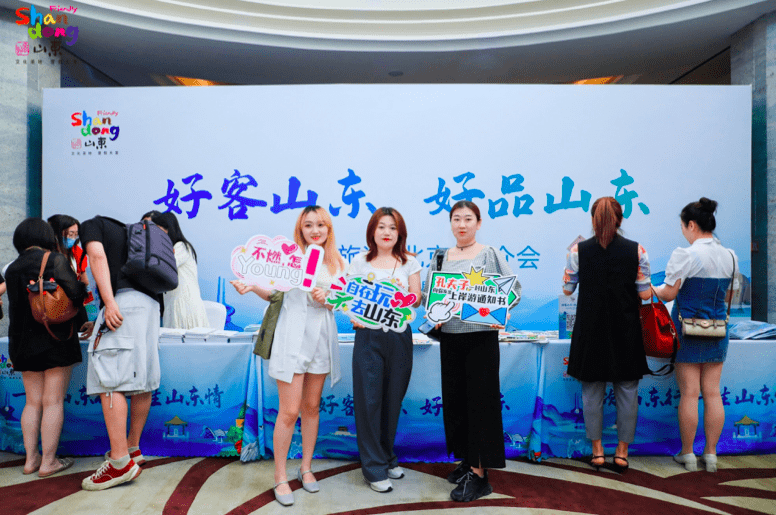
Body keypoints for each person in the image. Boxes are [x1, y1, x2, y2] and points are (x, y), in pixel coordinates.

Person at [231, 205, 345, 507]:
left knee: (312, 407)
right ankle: (280, 476)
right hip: (291, 338)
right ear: (300, 229)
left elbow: (343, 302)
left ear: (328, 229)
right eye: (308, 225)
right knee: (289, 410)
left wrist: (328, 299)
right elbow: (274, 293)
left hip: (321, 338)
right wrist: (251, 286)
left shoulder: (337, 263)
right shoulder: (288, 259)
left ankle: (306, 468)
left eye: (321, 225)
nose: (315, 230)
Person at [423, 200, 521, 502]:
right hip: (451, 339)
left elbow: (514, 292)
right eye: (456, 219)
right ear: (451, 224)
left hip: (481, 340)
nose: (462, 224)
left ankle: (480, 476)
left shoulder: (489, 254)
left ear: (478, 223)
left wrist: (499, 312)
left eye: (468, 219)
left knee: (480, 404)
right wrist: (435, 314)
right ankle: (467, 461)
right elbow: (429, 295)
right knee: (456, 403)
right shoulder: (440, 257)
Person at [562, 197, 652, 474]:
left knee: (591, 393)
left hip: (590, 330)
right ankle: (622, 453)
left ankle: (597, 451)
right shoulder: (637, 251)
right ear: (620, 220)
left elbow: (568, 290)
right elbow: (645, 295)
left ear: (593, 220)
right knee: (627, 392)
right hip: (626, 330)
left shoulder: (577, 251)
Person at [79, 214, 163, 490]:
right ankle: (132, 448)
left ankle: (119, 462)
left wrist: (109, 302)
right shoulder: (132, 235)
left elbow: (97, 256)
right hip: (150, 308)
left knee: (110, 377)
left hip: (122, 302)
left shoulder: (93, 224)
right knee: (141, 379)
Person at [655, 197, 738, 473]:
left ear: (691, 225)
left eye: (683, 226)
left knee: (690, 393)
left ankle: (688, 454)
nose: (683, 232)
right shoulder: (730, 256)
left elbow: (669, 293)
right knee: (713, 393)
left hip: (688, 331)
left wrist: (650, 289)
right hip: (717, 331)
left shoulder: (685, 255)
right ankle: (711, 455)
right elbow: (729, 297)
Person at [5, 218, 89, 477]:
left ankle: (31, 460)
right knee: (53, 402)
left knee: (32, 402)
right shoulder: (54, 260)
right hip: (55, 339)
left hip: (22, 342)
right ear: (46, 236)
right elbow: (76, 294)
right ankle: (49, 462)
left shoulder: (12, 268)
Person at [348, 207, 421, 493]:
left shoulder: (409, 262)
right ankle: (373, 468)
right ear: (372, 231)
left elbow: (416, 298)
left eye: (392, 227)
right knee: (369, 402)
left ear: (400, 233)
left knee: (392, 401)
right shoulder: (359, 262)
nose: (387, 232)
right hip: (368, 336)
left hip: (399, 336)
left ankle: (387, 456)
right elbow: (348, 297)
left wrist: (403, 296)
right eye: (381, 227)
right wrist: (354, 315)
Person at [151, 212, 208, 329]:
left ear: (169, 229)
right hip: (173, 305)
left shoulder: (181, 247)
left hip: (185, 304)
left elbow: (165, 266)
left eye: (160, 230)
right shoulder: (169, 249)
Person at [47, 214, 93, 306]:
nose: (73, 238)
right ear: (57, 233)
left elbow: (85, 281)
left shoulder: (77, 251)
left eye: (76, 235)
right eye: (70, 234)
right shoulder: (47, 254)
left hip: (74, 302)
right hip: (53, 302)